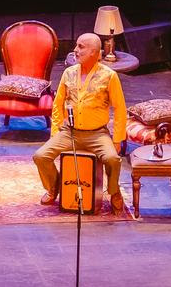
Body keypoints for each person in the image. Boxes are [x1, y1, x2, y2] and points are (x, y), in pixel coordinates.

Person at [33, 32, 127, 212]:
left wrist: (117, 139)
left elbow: (120, 108)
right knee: (40, 156)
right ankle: (54, 187)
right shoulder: (69, 73)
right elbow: (57, 104)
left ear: (94, 52)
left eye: (81, 47)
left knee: (112, 159)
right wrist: (55, 132)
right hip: (70, 132)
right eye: (76, 45)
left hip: (97, 134)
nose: (75, 50)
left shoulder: (109, 76)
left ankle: (114, 191)